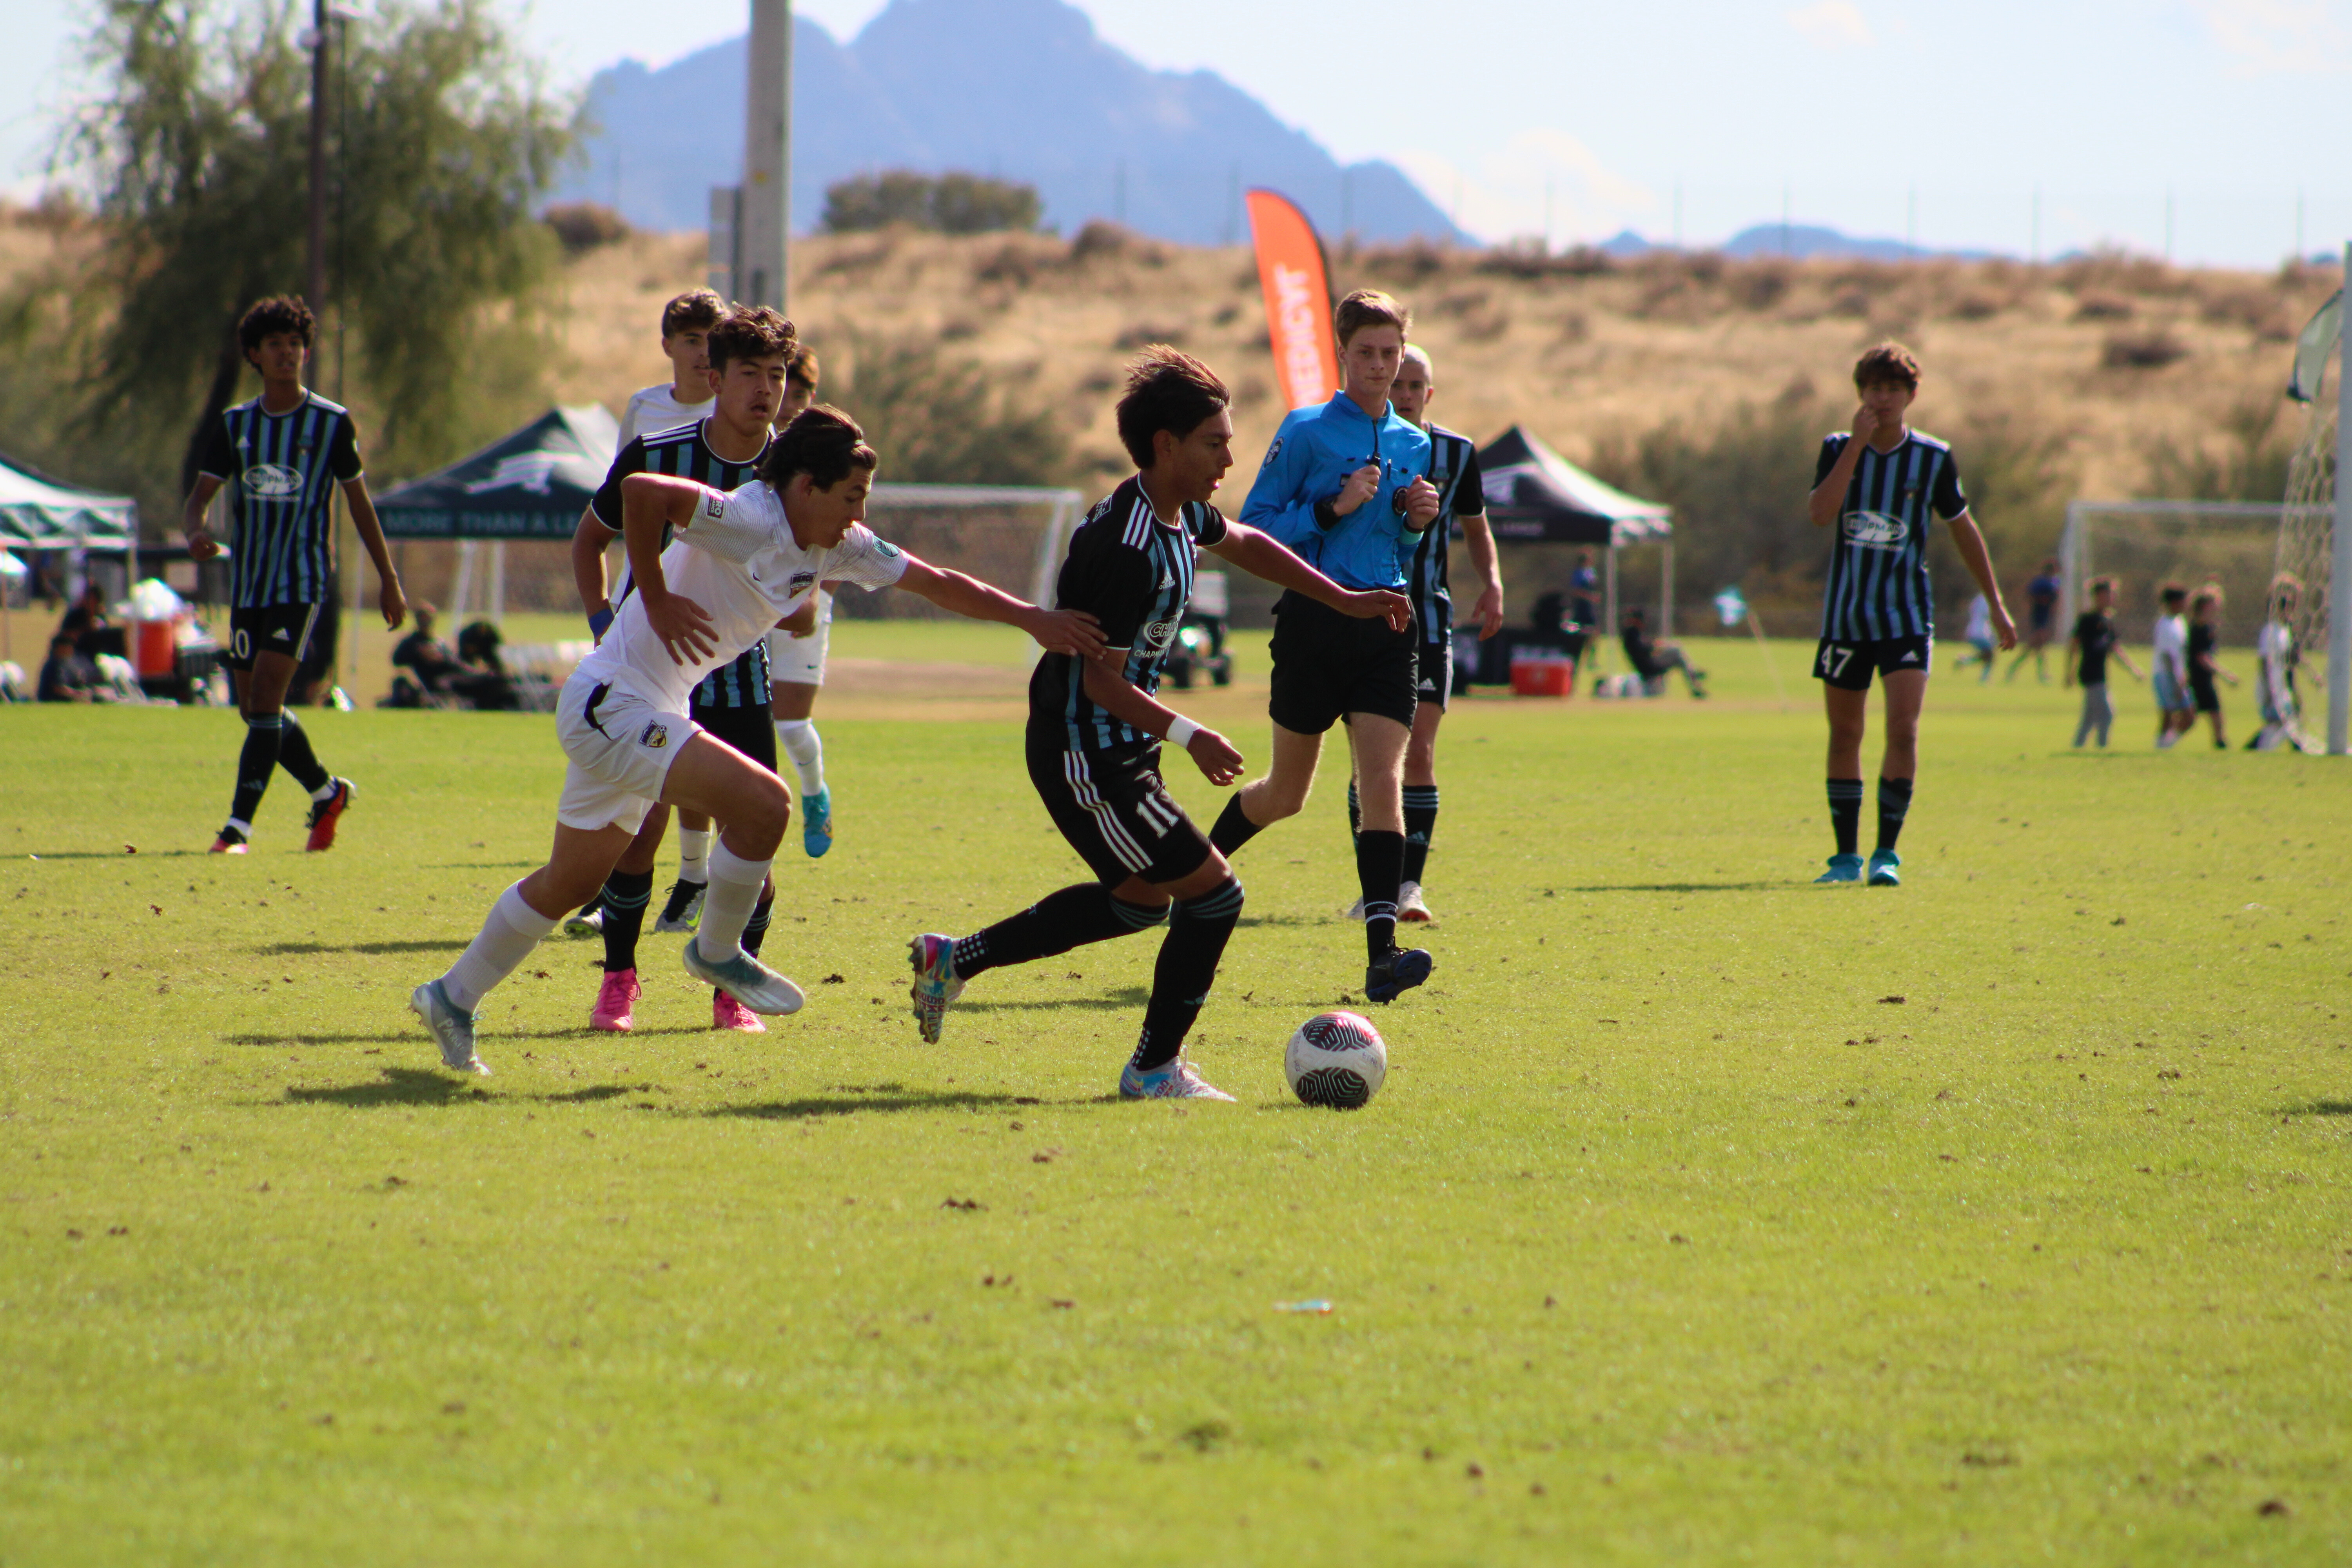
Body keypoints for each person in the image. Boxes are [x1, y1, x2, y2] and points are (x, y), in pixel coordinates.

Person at [408, 403, 1104, 1076]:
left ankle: (451, 996)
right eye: (851, 497)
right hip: (611, 704)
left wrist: (1033, 620)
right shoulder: (750, 517)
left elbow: (938, 581)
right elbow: (643, 491)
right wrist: (650, 595)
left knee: (572, 880)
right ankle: (716, 950)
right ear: (805, 487)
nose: (859, 515)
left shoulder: (837, 544)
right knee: (765, 805)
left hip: (637, 704)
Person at [905, 348, 1409, 1099]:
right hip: (1084, 749)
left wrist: (1339, 595)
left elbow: (1244, 541)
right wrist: (1189, 733)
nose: (1230, 458)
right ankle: (1151, 1070)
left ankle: (955, 960)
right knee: (1216, 896)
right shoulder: (1125, 549)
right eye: (1215, 442)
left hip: (1119, 746)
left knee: (1142, 902)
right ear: (1166, 444)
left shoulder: (1174, 513)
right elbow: (1098, 680)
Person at [567, 306, 797, 1033]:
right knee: (640, 835)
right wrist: (610, 621)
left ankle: (729, 990)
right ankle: (620, 979)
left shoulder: (794, 468)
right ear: (715, 377)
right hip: (651, 680)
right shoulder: (657, 451)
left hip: (738, 680)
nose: (766, 390)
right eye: (750, 374)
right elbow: (588, 542)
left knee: (755, 831)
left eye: (778, 376)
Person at [1208, 289, 1441, 1003]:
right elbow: (1253, 528)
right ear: (1342, 354)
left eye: (1390, 354)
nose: (1378, 367)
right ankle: (1191, 871)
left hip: (1387, 628)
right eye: (1366, 353)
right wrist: (1329, 507)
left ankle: (1382, 957)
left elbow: (1398, 544)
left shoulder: (1414, 443)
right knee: (1286, 794)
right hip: (1312, 624)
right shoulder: (1306, 431)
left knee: (1382, 783)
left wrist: (1413, 523)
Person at [182, 295, 406, 855]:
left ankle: (238, 829)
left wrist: (389, 577)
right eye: (275, 344)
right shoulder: (236, 425)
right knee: (254, 710)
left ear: (306, 351)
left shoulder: (330, 423)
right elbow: (198, 500)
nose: (288, 353)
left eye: (295, 343)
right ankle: (327, 791)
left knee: (263, 700)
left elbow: (360, 504)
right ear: (255, 355)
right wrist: (195, 533)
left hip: (301, 582)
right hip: (249, 585)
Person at [1806, 341, 2014, 887]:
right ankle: (1844, 858)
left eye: (1894, 389)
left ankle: (1886, 854)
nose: (1884, 397)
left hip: (1905, 617)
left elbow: (1963, 529)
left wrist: (1995, 604)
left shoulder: (1933, 458)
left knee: (1904, 728)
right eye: (1875, 388)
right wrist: (1855, 446)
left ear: (1911, 395)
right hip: (1846, 619)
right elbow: (1820, 515)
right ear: (1861, 393)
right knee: (1845, 732)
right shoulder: (1836, 447)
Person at [1338, 343, 1503, 924]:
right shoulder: (1355, 445)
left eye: (1415, 387)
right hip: (1363, 616)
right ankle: (1372, 889)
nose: (1404, 395)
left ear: (1428, 393)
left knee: (1421, 753)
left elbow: (1477, 528)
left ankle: (1409, 888)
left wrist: (1493, 583)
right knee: (1369, 762)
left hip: (1429, 619)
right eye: (1397, 385)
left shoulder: (1457, 454)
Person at [765, 341, 838, 858]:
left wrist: (815, 595)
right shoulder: (751, 444)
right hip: (744, 600)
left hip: (804, 599)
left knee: (790, 723)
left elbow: (848, 529)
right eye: (784, 388)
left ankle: (815, 795)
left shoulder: (831, 446)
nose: (791, 400)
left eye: (803, 390)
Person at [615, 289, 724, 450]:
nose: (705, 353)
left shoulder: (736, 410)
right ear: (668, 347)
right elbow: (621, 474)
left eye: (712, 341)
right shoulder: (642, 406)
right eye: (693, 341)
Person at [2062, 575, 2141, 748]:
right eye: (2108, 594)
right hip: (2090, 673)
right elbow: (2074, 646)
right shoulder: (2087, 619)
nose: (2112, 598)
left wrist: (2133, 669)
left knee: (2089, 717)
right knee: (2107, 714)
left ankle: (2078, 746)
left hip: (2101, 674)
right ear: (2097, 596)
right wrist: (2069, 672)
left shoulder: (2108, 620)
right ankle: (2102, 748)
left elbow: (2115, 649)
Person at [2249, 573, 2304, 751]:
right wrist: (2268, 691)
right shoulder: (2270, 632)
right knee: (2281, 722)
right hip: (2273, 687)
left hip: (2281, 686)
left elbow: (2291, 659)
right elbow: (2264, 663)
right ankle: (2256, 750)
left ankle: (2293, 750)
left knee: (2288, 721)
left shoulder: (2284, 631)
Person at [2186, 584, 2237, 749]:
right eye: (2215, 602)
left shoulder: (2208, 626)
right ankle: (2220, 744)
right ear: (2206, 606)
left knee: (2200, 716)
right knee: (2213, 715)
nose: (2219, 605)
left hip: (2204, 677)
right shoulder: (2199, 628)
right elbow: (2202, 657)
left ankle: (2220, 743)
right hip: (2199, 677)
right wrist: (2225, 674)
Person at [1619, 604, 1706, 697]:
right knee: (1676, 652)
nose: (1644, 623)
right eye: (1642, 620)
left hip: (1649, 664)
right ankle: (1693, 676)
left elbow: (1645, 646)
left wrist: (1657, 646)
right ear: (1636, 620)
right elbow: (1643, 648)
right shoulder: (1632, 633)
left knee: (1676, 650)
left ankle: (1694, 681)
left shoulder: (1633, 632)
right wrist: (1656, 646)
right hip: (1649, 668)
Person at [2149, 583, 2195, 749]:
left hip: (2178, 675)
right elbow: (2168, 657)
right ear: (2175, 602)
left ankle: (2166, 745)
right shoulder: (2164, 626)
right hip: (2165, 675)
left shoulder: (2180, 622)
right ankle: (2161, 746)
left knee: (2189, 716)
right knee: (2168, 714)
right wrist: (2176, 680)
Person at [2005, 557, 2062, 682]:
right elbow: (2030, 596)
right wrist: (2030, 613)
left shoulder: (2056, 582)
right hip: (2038, 616)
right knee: (2038, 644)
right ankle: (2041, 674)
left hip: (2047, 617)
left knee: (2036, 646)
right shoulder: (2040, 582)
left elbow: (2056, 600)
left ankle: (2014, 669)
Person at [57, 582, 119, 659]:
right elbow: (64, 636)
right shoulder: (75, 615)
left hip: (97, 655)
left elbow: (106, 636)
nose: (90, 603)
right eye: (89, 599)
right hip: (77, 654)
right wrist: (84, 630)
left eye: (94, 601)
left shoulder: (100, 617)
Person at [36, 633, 102, 702]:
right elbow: (58, 689)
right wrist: (79, 694)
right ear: (59, 648)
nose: (71, 651)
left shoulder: (67, 664)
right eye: (68, 647)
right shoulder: (54, 665)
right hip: (53, 701)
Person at [1953, 592, 1996, 681]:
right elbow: (1989, 615)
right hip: (1981, 632)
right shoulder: (1988, 599)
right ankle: (1984, 679)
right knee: (1990, 655)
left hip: (1973, 631)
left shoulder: (1977, 599)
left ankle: (1965, 661)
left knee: (1987, 655)